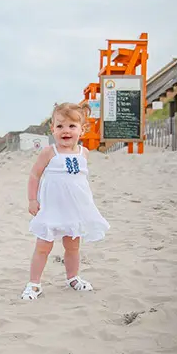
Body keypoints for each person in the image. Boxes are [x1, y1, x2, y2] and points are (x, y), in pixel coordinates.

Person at [21, 102, 109, 300]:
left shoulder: (83, 153)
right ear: (52, 129)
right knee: (43, 246)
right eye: (60, 126)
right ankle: (34, 284)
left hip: (74, 208)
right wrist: (32, 199)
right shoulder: (50, 152)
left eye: (72, 126)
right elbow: (34, 175)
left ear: (82, 129)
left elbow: (79, 182)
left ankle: (73, 277)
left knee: (73, 246)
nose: (66, 131)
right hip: (52, 208)